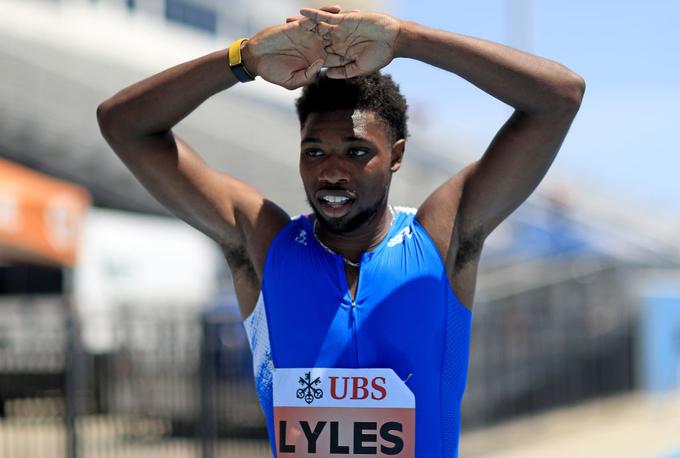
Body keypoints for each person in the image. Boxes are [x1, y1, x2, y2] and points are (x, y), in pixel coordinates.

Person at [97, 5, 584, 457]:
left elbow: (559, 96)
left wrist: (408, 39)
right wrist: (243, 59)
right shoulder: (265, 245)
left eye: (356, 151)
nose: (331, 171)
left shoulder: (441, 238)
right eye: (314, 152)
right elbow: (122, 124)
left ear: (395, 155)